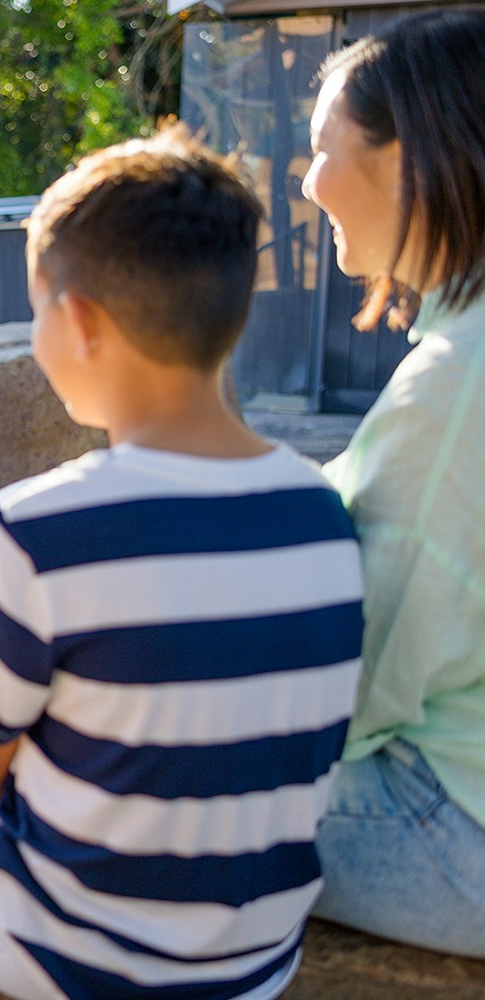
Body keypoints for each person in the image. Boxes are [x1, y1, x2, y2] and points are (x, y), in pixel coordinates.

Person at [0, 127, 366, 999]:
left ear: (80, 321)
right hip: (258, 951)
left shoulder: (32, 529)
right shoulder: (323, 512)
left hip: (83, 942)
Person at [300, 10, 485, 958]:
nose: (307, 179)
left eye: (323, 148)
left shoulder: (453, 386)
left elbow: (359, 691)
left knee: (91, 785)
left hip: (454, 823)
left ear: (410, 158)